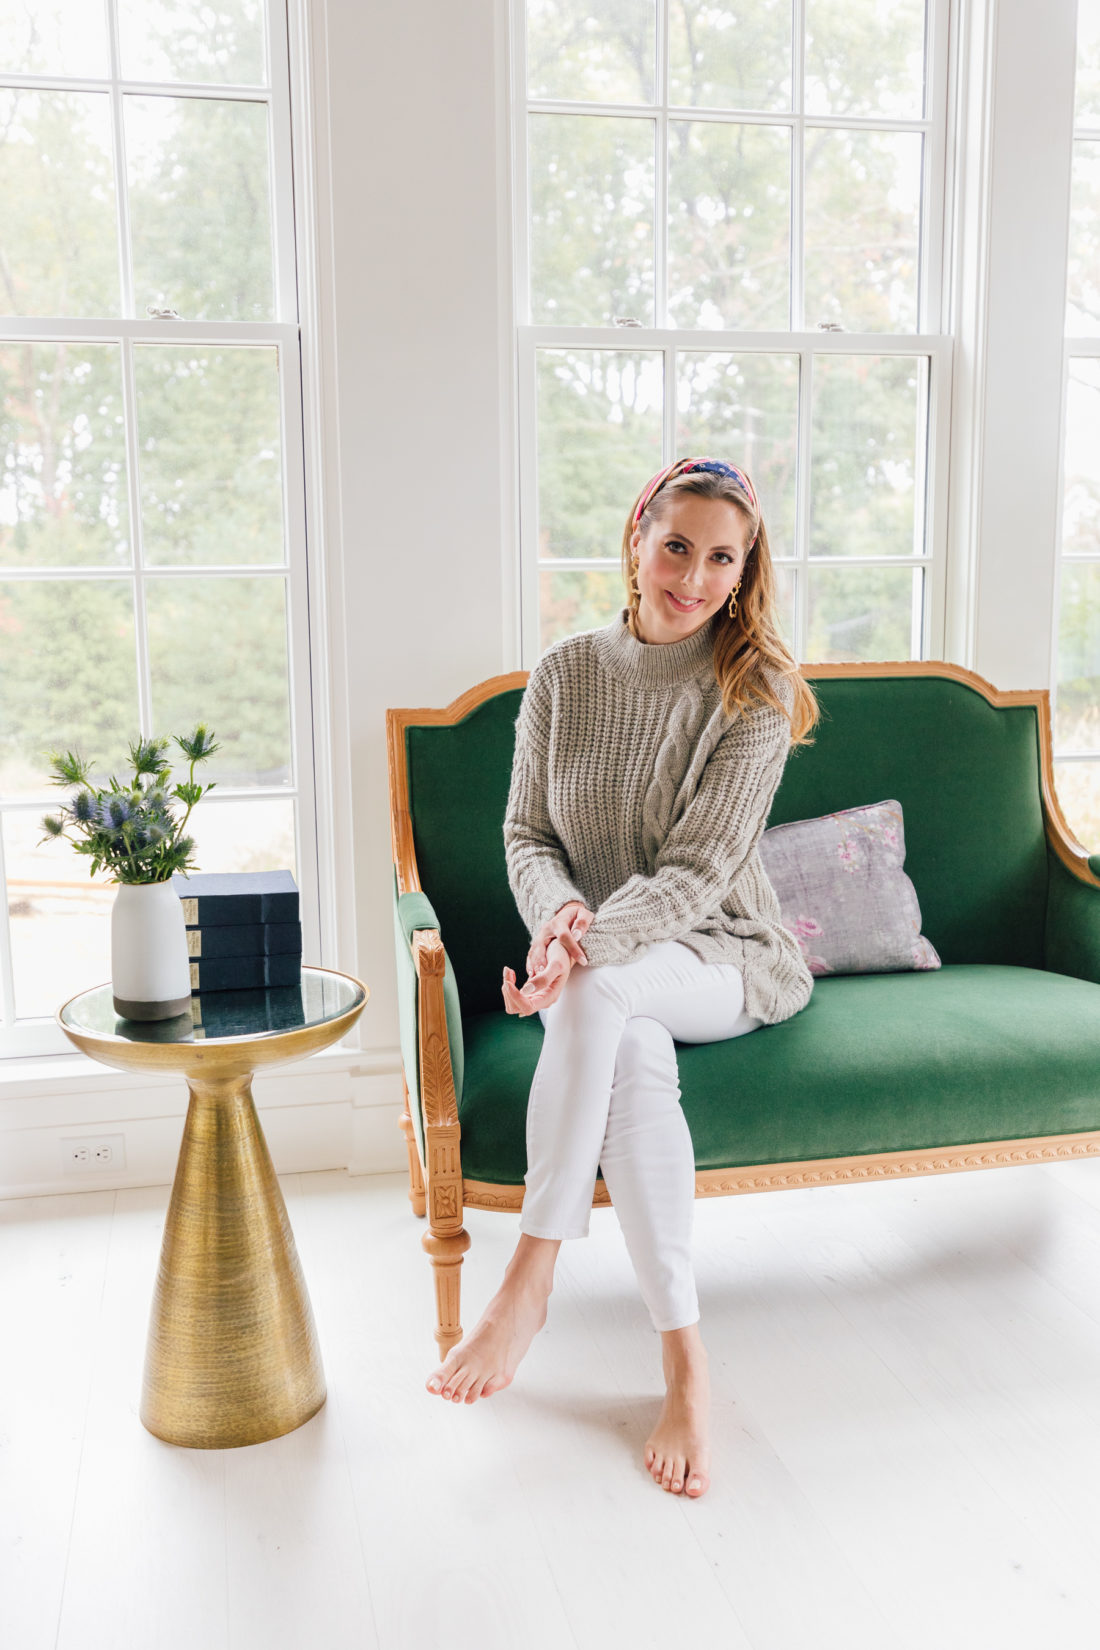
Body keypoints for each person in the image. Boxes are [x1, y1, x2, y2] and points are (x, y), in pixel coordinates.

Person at [425, 455, 820, 1499]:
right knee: (626, 1055)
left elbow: (695, 876)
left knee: (601, 998)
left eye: (720, 558)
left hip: (722, 955)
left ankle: (529, 1273)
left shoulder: (753, 692)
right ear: (638, 536)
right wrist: (557, 919)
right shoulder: (563, 673)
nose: (691, 576)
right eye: (676, 545)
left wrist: (577, 951)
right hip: (609, 966)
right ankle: (684, 1360)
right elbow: (526, 833)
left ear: (743, 573)